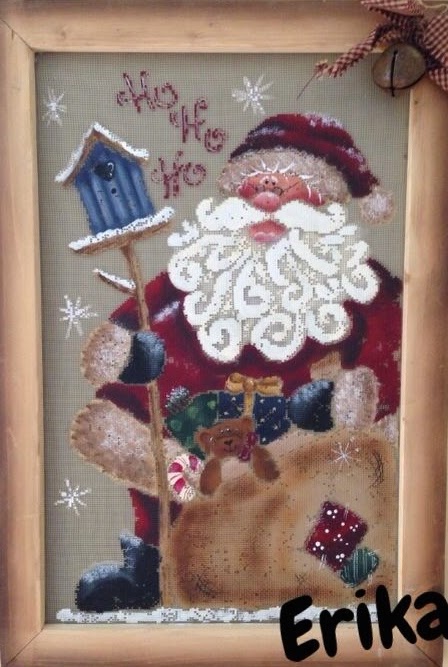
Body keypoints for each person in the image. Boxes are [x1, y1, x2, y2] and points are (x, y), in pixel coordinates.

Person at [77, 113, 401, 610]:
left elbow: (398, 346)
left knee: (324, 493)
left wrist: (353, 398)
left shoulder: (356, 283)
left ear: (325, 203)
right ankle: (151, 566)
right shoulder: (200, 273)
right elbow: (146, 316)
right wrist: (127, 351)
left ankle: (352, 571)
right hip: (196, 448)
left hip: (303, 454)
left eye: (287, 189)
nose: (267, 201)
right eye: (255, 188)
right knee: (137, 435)